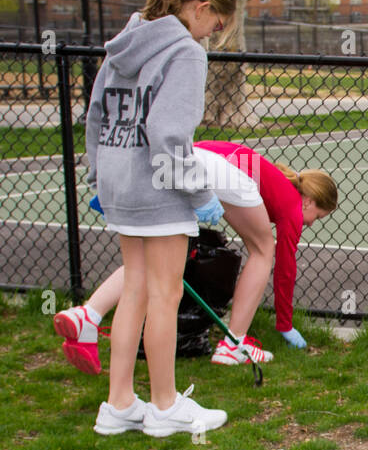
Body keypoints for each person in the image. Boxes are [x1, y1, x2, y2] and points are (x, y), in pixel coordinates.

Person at [79, 0, 236, 438]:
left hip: (121, 186)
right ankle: (165, 407)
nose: (217, 32)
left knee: (135, 293)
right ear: (200, 7)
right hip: (160, 190)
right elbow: (167, 134)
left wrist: (98, 179)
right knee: (165, 297)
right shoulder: (185, 53)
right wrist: (202, 196)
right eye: (218, 21)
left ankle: (119, 403)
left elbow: (95, 118)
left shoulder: (125, 44)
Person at [56, 143, 339, 373]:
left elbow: (205, 149)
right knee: (264, 250)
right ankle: (234, 344)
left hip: (175, 162)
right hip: (206, 170)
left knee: (148, 257)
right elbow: (286, 269)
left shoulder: (271, 178)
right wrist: (285, 323)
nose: (311, 223)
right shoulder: (292, 206)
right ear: (309, 201)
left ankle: (87, 314)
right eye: (318, 216)